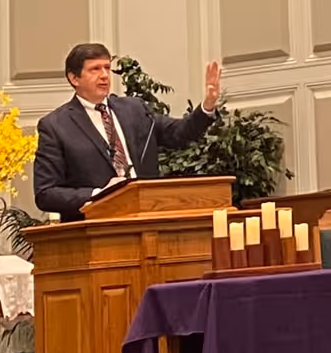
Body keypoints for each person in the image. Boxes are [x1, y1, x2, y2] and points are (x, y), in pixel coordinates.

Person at [33, 44, 222, 222]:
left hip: (148, 216)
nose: (104, 75)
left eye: (107, 68)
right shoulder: (56, 126)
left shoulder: (134, 109)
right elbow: (46, 193)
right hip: (97, 226)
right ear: (74, 78)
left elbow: (178, 134)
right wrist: (98, 194)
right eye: (95, 69)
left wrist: (207, 106)